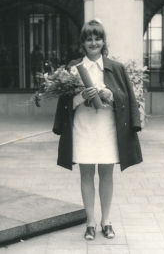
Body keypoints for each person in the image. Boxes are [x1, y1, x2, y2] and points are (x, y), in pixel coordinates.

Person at [53, 19, 143, 240]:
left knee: (106, 174)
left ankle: (106, 221)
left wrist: (110, 95)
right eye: (89, 39)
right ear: (82, 42)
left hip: (107, 128)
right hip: (83, 127)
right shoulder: (73, 68)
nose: (93, 42)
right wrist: (81, 96)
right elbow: (64, 102)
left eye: (98, 38)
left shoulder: (116, 67)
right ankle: (90, 222)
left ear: (104, 41)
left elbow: (126, 97)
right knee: (85, 174)